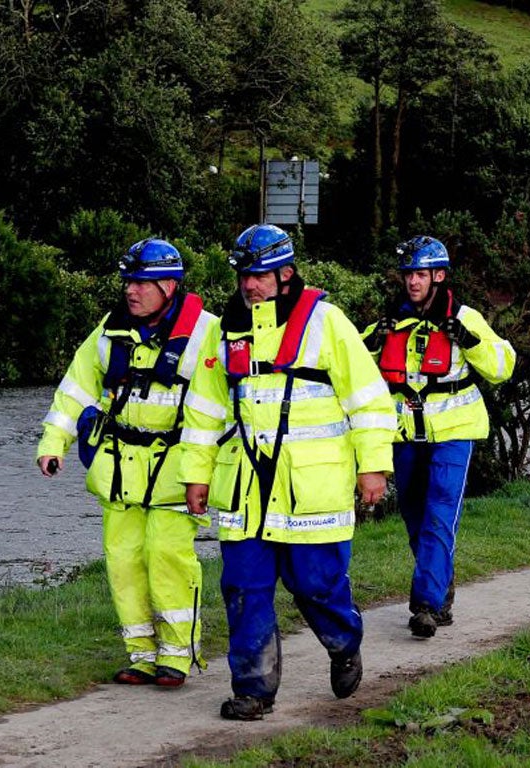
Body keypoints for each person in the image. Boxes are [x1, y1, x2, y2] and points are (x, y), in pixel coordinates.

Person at [179, 224, 396, 720]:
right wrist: (197, 475)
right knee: (242, 588)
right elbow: (204, 411)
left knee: (316, 586)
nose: (248, 285)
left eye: (258, 275)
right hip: (247, 491)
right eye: (242, 275)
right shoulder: (224, 329)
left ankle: (343, 642)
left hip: (310, 489)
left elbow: (369, 402)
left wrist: (374, 467)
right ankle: (253, 690)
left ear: (286, 274)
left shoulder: (328, 322)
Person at [37, 238, 217, 687]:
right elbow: (75, 389)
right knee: (123, 561)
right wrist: (53, 441)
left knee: (167, 556)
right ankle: (141, 653)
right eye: (128, 283)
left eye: (142, 283)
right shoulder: (110, 329)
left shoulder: (205, 334)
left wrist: (204, 472)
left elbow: (216, 411)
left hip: (175, 470)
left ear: (170, 287)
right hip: (119, 472)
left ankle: (177, 654)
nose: (131, 292)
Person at [361, 235, 515, 639]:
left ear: (439, 276)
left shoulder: (465, 317)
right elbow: (356, 368)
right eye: (408, 273)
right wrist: (372, 344)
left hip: (455, 432)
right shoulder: (391, 318)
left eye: (421, 274)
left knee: (439, 513)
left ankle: (426, 604)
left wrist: (470, 341)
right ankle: (440, 583)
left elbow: (503, 366)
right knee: (414, 516)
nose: (413, 281)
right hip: (406, 434)